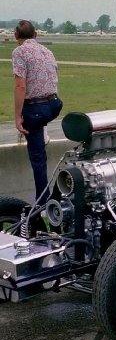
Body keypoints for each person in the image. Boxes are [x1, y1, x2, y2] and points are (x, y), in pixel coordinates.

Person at [12, 20, 63, 204]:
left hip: (37, 109)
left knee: (38, 157)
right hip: (55, 104)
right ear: (36, 35)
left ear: (16, 36)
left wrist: (18, 117)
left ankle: (43, 201)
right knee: (39, 122)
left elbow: (20, 86)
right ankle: (43, 132)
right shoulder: (47, 51)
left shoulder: (19, 52)